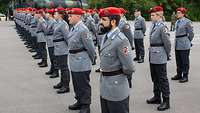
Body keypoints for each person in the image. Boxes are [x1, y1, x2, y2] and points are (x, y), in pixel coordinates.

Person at [98, 7, 135, 113]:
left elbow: (129, 67)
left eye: (104, 20)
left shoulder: (121, 40)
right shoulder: (106, 36)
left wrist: (119, 76)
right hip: (105, 86)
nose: (101, 22)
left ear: (113, 22)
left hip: (116, 87)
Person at [67, 8, 96, 113]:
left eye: (71, 15)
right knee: (76, 83)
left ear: (78, 17)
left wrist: (92, 59)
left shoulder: (83, 29)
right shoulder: (73, 28)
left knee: (83, 84)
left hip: (81, 61)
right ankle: (79, 101)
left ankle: (85, 105)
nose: (68, 17)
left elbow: (90, 47)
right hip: (74, 60)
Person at [146, 6, 171, 111]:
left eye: (153, 15)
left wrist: (166, 54)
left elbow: (167, 43)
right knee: (155, 77)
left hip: (160, 55)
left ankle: (166, 101)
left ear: (159, 15)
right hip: (153, 55)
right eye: (151, 15)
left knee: (162, 79)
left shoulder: (162, 27)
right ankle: (157, 97)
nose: (151, 17)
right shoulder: (154, 25)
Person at [171, 7, 194, 83]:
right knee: (178, 60)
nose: (177, 14)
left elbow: (191, 33)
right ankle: (179, 74)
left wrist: (188, 40)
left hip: (184, 43)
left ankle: (185, 76)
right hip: (177, 43)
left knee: (185, 61)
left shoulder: (187, 22)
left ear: (183, 14)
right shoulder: (177, 21)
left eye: (179, 13)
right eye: (177, 12)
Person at [52, 7, 70, 94]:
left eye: (55, 13)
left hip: (62, 48)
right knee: (61, 66)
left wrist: (68, 48)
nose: (54, 15)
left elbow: (67, 37)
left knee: (64, 67)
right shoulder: (57, 23)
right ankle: (62, 82)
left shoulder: (63, 24)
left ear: (60, 15)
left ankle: (66, 85)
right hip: (58, 47)